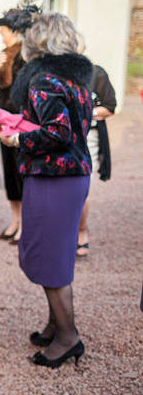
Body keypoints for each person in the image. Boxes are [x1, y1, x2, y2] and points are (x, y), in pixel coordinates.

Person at [0, 12, 93, 369]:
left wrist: (18, 137)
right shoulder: (76, 81)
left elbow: (58, 132)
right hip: (74, 177)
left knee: (47, 256)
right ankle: (56, 323)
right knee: (57, 254)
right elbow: (72, 128)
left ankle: (68, 337)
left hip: (54, 178)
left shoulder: (45, 81)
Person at [0, 0, 40, 245]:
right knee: (10, 172)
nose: (0, 31)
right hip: (3, 120)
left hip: (18, 121)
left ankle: (25, 226)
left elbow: (17, 89)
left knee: (20, 172)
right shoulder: (6, 53)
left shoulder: (24, 55)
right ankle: (15, 220)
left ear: (14, 30)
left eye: (4, 28)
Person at [74, 32, 116, 257]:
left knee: (81, 190)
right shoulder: (58, 76)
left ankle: (81, 231)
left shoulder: (96, 73)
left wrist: (85, 113)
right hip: (65, 137)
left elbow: (110, 106)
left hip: (88, 139)